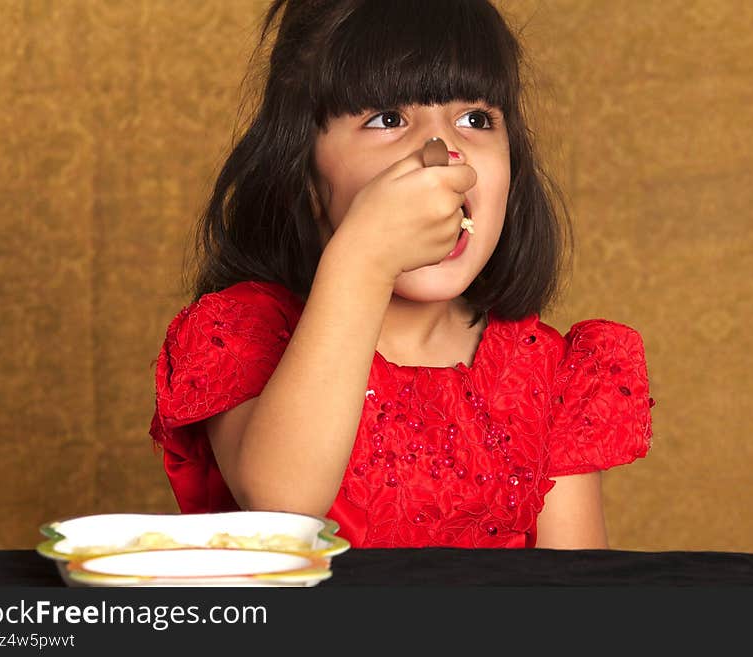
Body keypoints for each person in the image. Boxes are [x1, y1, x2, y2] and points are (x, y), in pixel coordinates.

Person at [149, 0, 655, 549]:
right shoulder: (240, 332)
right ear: (304, 177)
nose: (441, 156)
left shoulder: (548, 374)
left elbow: (576, 597)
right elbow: (283, 507)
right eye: (388, 119)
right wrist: (362, 257)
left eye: (476, 119)